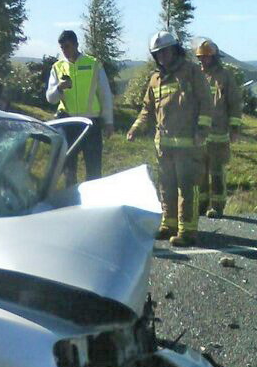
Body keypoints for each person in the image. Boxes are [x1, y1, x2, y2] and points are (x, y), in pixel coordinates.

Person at [127, 31, 213, 247]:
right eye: (158, 53)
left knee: (187, 187)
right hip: (164, 145)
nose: (162, 56)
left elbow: (205, 102)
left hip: (188, 144)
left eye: (165, 51)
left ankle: (187, 231)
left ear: (175, 49)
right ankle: (169, 224)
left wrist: (201, 130)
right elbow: (147, 108)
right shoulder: (155, 79)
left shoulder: (191, 72)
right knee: (166, 185)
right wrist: (135, 128)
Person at [45, 30, 114, 186]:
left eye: (67, 46)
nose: (65, 50)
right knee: (68, 169)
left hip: (91, 123)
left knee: (94, 168)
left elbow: (105, 94)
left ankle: (94, 204)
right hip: (68, 123)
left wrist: (108, 121)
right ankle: (72, 203)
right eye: (62, 47)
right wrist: (59, 89)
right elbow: (50, 98)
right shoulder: (57, 67)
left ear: (76, 44)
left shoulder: (93, 64)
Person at [195, 38, 242, 218]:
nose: (203, 61)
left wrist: (235, 128)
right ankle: (201, 204)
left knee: (216, 172)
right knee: (200, 172)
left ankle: (217, 206)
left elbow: (234, 103)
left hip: (219, 134)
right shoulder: (196, 75)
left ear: (214, 58)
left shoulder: (225, 76)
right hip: (199, 135)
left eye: (206, 58)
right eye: (201, 58)